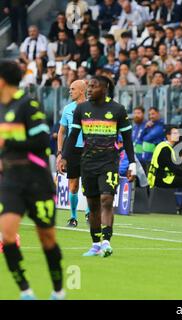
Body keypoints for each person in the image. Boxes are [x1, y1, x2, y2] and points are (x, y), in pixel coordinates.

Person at [0, 60, 64, 300]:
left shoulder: (28, 104)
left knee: (47, 238)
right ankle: (26, 291)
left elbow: (41, 142)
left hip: (37, 179)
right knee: (7, 236)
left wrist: (8, 143)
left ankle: (58, 290)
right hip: (11, 180)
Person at [61, 76, 136, 258]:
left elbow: (127, 139)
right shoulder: (82, 109)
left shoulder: (118, 110)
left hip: (109, 162)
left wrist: (132, 163)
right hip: (87, 163)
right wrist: (64, 157)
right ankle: (95, 244)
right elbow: (72, 136)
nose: (89, 89)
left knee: (106, 200)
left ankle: (106, 242)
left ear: (104, 88)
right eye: (88, 86)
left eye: (93, 87)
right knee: (93, 204)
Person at [56, 80, 90, 227]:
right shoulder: (67, 109)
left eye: (73, 89)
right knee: (73, 184)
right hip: (73, 150)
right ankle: (73, 216)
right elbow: (62, 132)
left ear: (82, 91)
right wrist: (60, 152)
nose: (70, 91)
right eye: (70, 89)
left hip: (89, 149)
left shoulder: (92, 107)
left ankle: (89, 213)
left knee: (89, 184)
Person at [147, 125, 182, 213]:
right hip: (162, 179)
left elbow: (174, 166)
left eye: (178, 133)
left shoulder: (164, 146)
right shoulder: (165, 149)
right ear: (168, 136)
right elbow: (173, 168)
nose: (177, 135)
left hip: (161, 178)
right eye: (175, 133)